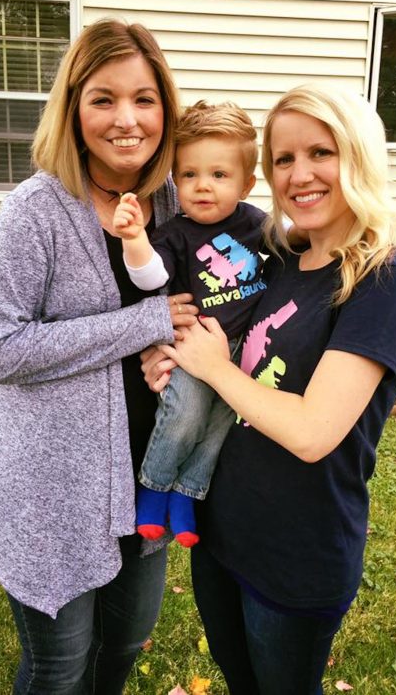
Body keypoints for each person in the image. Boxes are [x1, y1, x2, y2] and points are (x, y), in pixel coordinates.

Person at [144, 84, 396, 694]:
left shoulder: (382, 280)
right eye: (283, 158)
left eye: (320, 152)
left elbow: (311, 432)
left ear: (358, 155)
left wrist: (216, 367)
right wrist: (167, 357)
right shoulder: (278, 258)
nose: (300, 174)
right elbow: (223, 343)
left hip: (295, 552)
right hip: (221, 532)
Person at [0, 18, 198, 695]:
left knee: (123, 645)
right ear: (73, 108)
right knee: (59, 668)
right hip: (50, 491)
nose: (126, 119)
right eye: (103, 99)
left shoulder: (181, 202)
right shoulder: (35, 211)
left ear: (165, 109)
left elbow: (210, 307)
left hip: (147, 478)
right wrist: (141, 323)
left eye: (144, 99)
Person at [112, 100, 266, 548]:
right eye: (190, 175)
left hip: (242, 349)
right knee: (185, 416)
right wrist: (135, 239)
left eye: (219, 175)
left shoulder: (256, 224)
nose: (203, 186)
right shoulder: (175, 233)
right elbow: (151, 278)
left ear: (247, 183)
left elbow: (292, 246)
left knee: (220, 423)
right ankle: (153, 488)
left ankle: (186, 496)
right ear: (175, 180)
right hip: (194, 345)